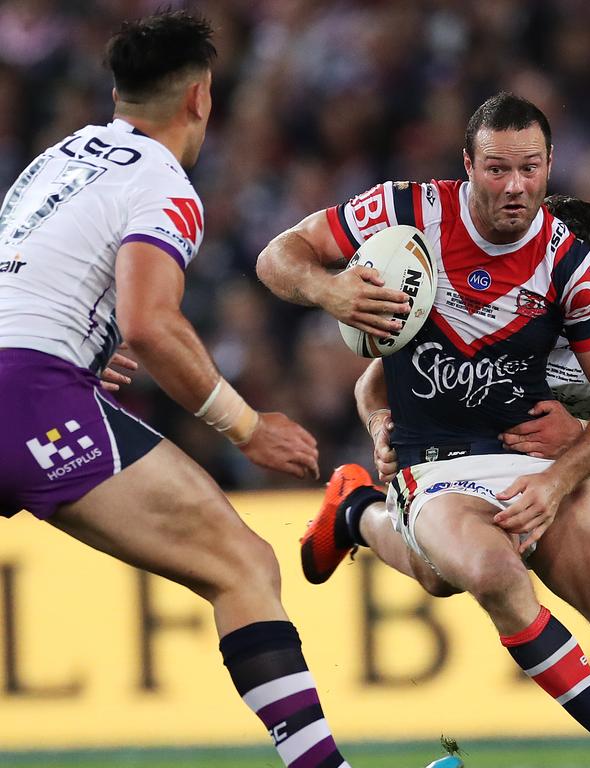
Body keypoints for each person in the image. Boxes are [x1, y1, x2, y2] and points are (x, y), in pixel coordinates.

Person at [257, 92, 590, 768]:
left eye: (529, 170)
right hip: (464, 455)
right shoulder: (407, 214)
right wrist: (337, 306)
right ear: (468, 168)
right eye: (498, 170)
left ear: (550, 169)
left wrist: (567, 463)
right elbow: (297, 278)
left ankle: (359, 511)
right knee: (466, 573)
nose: (515, 187)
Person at [0, 12, 358, 768]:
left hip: (30, 382)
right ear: (201, 98)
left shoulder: (53, 161)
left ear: (116, 91)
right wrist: (247, 427)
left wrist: (77, 347)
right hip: (32, 400)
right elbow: (151, 323)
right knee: (243, 566)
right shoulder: (161, 180)